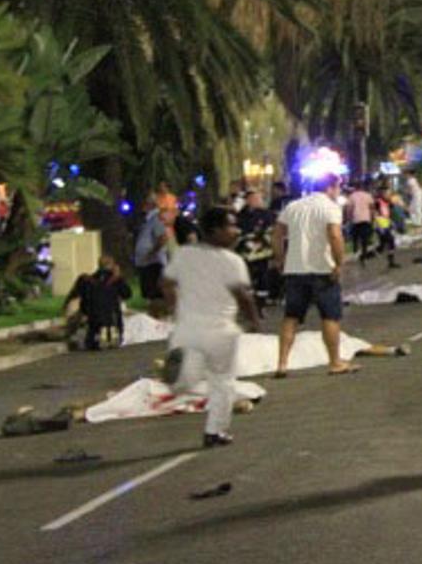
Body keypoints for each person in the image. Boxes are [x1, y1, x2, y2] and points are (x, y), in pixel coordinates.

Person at [160, 207, 260, 448]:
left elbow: (165, 283)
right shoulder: (232, 261)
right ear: (216, 231)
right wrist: (254, 320)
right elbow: (242, 296)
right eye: (231, 226)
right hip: (220, 330)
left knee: (189, 378)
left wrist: (174, 307)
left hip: (187, 327)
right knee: (222, 382)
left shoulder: (184, 255)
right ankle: (215, 431)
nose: (236, 231)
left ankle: (181, 379)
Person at [273, 174, 354, 377]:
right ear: (331, 187)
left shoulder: (293, 206)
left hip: (295, 270)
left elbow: (277, 234)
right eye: (338, 188)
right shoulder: (330, 207)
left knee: (291, 316)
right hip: (322, 270)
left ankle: (282, 363)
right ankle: (335, 362)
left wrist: (280, 259)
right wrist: (338, 262)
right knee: (330, 315)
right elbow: (335, 235)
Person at [64, 254, 132, 350]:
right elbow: (127, 294)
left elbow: (81, 304)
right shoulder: (116, 280)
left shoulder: (87, 280)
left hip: (93, 325)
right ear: (113, 266)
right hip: (113, 323)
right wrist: (119, 277)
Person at [133, 197, 173, 304]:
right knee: (149, 292)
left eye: (145, 204)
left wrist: (151, 253)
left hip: (153, 263)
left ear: (150, 205)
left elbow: (162, 238)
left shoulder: (156, 219)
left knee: (154, 293)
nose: (142, 207)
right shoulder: (148, 220)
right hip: (147, 263)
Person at [346, 183, 375, 260]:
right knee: (364, 237)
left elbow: (349, 209)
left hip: (356, 219)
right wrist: (372, 218)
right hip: (366, 218)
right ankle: (364, 254)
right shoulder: (368, 195)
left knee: (355, 237)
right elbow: (372, 208)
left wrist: (348, 218)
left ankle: (355, 252)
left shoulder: (352, 196)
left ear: (355, 188)